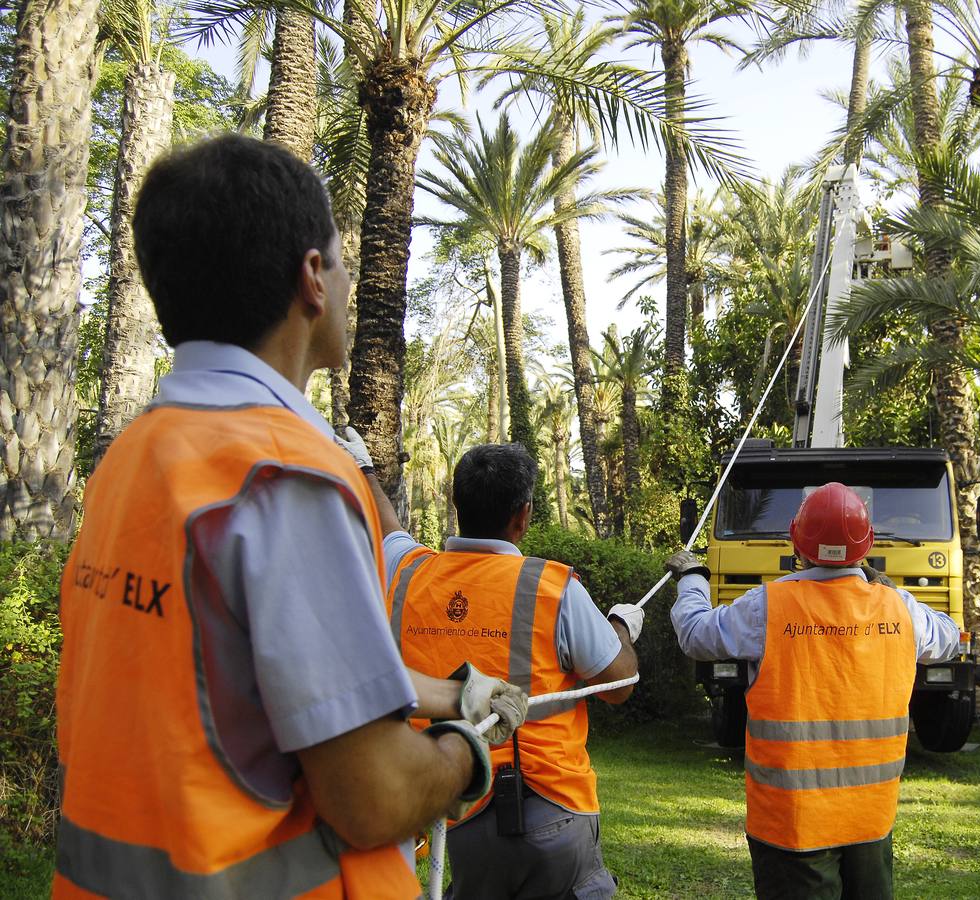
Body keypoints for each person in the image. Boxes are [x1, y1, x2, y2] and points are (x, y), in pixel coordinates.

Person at [53, 134, 526, 898]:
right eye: (339, 262)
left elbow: (241, 676)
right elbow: (371, 796)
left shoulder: (135, 456)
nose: (344, 285)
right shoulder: (284, 473)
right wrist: (466, 753)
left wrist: (446, 691)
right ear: (311, 277)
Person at [334, 439, 642, 899]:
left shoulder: (410, 572)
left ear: (458, 504)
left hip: (451, 805)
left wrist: (364, 470)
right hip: (551, 804)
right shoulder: (552, 586)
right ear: (523, 514)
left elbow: (386, 526)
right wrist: (621, 625)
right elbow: (618, 683)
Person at [667, 482, 961, 900]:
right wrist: (893, 590)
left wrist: (692, 580)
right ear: (868, 544)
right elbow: (949, 637)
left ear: (795, 539)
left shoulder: (768, 605)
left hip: (793, 825)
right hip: (870, 820)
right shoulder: (899, 609)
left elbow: (696, 634)